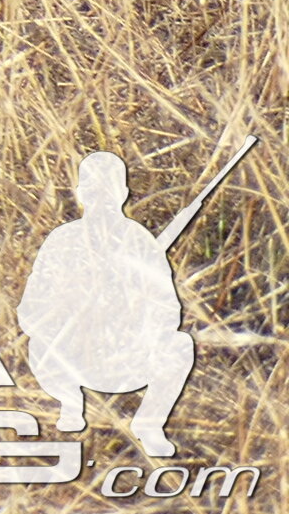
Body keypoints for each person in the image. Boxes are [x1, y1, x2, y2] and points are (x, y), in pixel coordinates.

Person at [20, 150, 204, 460]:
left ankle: (149, 424)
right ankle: (70, 404)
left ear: (123, 194)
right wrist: (73, 314)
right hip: (72, 361)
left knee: (180, 345)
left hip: (128, 361)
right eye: (95, 189)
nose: (102, 197)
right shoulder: (62, 241)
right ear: (82, 194)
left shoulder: (140, 242)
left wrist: (128, 317)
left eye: (107, 189)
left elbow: (168, 312)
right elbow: (30, 311)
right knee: (37, 343)